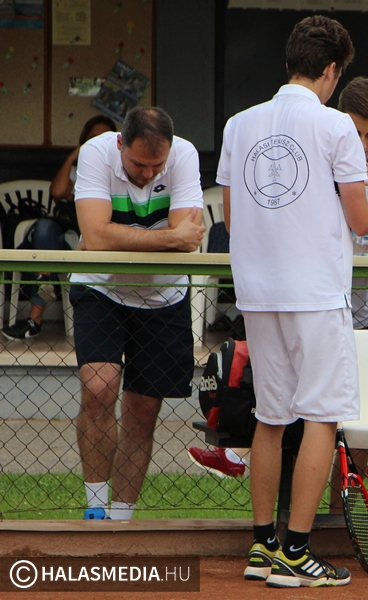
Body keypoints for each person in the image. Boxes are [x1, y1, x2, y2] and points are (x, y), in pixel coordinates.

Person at [216, 15, 368, 588]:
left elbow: (232, 218)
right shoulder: (337, 125)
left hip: (258, 290)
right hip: (315, 290)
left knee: (271, 416)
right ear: (332, 70)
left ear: (290, 60)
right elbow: (361, 220)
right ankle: (295, 550)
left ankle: (263, 546)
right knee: (321, 415)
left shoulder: (239, 123)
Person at [188, 77, 368, 484]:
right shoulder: (317, 145)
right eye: (355, 131)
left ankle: (343, 504)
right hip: (304, 305)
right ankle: (249, 468)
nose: (361, 143)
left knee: (354, 427)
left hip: (365, 313)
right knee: (285, 416)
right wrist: (356, 220)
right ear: (338, 120)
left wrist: (347, 238)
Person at [71, 106, 205, 521]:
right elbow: (94, 237)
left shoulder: (185, 154)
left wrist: (113, 236)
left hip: (163, 297)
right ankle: (96, 511)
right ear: (119, 144)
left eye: (156, 166)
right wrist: (169, 237)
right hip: (100, 289)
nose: (147, 174)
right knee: (99, 389)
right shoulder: (95, 152)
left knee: (143, 410)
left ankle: (122, 517)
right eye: (137, 164)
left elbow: (190, 240)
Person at [2, 115, 117, 340]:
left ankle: (36, 314)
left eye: (104, 137)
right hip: (66, 234)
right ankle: (43, 289)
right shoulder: (80, 168)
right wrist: (77, 154)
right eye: (92, 138)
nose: (97, 142)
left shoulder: (117, 170)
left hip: (93, 238)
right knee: (44, 227)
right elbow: (57, 192)